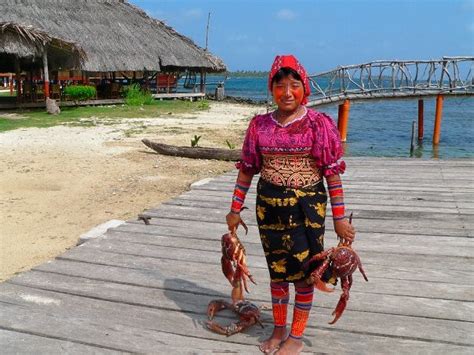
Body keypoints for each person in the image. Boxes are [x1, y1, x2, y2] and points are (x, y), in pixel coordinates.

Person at [226, 55, 355, 355]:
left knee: (305, 274)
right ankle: (278, 330)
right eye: (280, 85)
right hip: (268, 209)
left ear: (304, 88)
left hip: (306, 212)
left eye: (294, 85)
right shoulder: (259, 126)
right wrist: (235, 209)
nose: (287, 92)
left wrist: (338, 218)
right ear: (271, 89)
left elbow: (332, 175)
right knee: (277, 272)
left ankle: (296, 337)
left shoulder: (318, 125)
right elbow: (247, 169)